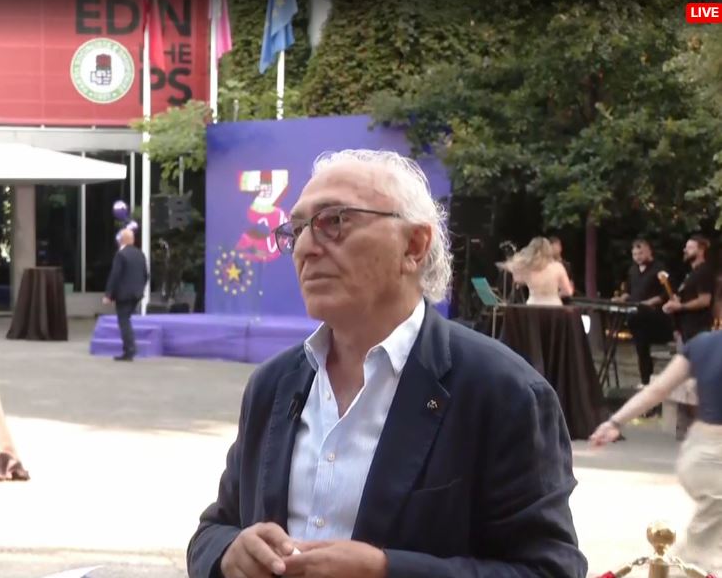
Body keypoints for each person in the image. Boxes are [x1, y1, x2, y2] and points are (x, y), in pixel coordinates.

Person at [189, 150, 585, 578]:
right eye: (297, 229)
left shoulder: (503, 392)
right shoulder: (273, 384)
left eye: (334, 221)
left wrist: (387, 571)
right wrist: (229, 553)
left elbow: (550, 569)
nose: (305, 247)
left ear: (413, 246)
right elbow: (216, 528)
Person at [590, 329, 722, 570]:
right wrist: (614, 423)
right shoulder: (704, 344)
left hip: (697, 453)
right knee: (700, 555)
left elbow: (658, 390)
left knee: (707, 548)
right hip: (714, 463)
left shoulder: (702, 344)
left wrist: (615, 422)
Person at [614, 239, 673, 387]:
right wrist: (621, 299)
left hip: (654, 316)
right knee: (641, 348)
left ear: (649, 251)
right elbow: (628, 291)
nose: (638, 257)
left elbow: (666, 292)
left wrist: (651, 302)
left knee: (645, 345)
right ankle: (645, 380)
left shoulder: (659, 269)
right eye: (635, 254)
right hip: (636, 316)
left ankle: (649, 380)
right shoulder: (632, 270)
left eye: (640, 253)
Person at [103, 228, 148, 361]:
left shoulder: (121, 255)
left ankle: (130, 349)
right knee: (126, 319)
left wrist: (109, 294)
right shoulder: (140, 254)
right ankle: (128, 349)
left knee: (123, 321)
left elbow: (115, 275)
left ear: (121, 240)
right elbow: (146, 274)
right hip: (136, 294)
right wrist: (140, 289)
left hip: (124, 295)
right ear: (132, 240)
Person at [664, 234, 714, 343]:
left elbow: (704, 300)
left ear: (701, 251)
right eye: (686, 247)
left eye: (690, 248)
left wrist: (681, 306)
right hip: (686, 327)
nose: (685, 250)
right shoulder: (692, 274)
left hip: (698, 328)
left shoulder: (703, 272)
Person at [498, 236, 574, 306]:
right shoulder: (558, 267)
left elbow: (518, 280)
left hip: (533, 305)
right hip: (554, 305)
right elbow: (568, 291)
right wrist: (555, 295)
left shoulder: (528, 267)